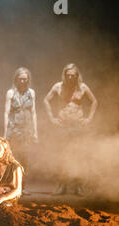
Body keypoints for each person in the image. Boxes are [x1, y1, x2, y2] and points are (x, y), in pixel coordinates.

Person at [43, 63, 98, 196]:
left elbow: (94, 101)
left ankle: (78, 186)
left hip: (78, 125)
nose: (70, 78)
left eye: (73, 75)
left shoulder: (83, 87)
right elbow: (46, 100)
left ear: (77, 76)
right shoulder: (58, 86)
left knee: (78, 155)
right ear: (64, 75)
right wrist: (52, 118)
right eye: (68, 75)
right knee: (62, 155)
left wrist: (89, 119)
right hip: (63, 125)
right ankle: (62, 185)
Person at [3, 67, 37, 194]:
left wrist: (35, 132)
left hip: (26, 130)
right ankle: (12, 186)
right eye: (20, 79)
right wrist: (5, 132)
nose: (22, 81)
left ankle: (22, 186)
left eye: (25, 79)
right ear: (16, 79)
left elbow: (34, 113)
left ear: (28, 80)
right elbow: (6, 113)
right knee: (13, 158)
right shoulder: (10, 93)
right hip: (14, 129)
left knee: (25, 159)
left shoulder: (31, 93)